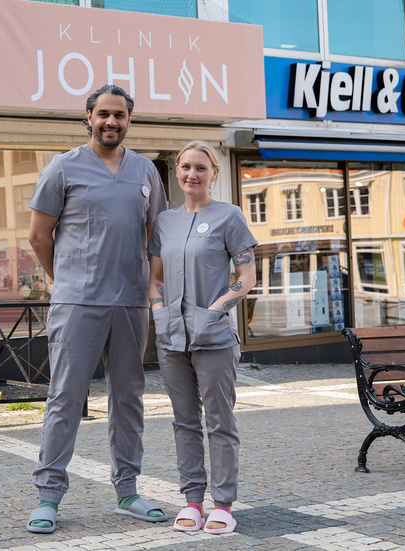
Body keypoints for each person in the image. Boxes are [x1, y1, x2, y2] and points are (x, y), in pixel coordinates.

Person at [25, 84, 169, 534]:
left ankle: (128, 491)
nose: (111, 121)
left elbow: (155, 238)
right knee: (65, 398)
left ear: (129, 120)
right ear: (88, 116)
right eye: (103, 113)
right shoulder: (63, 168)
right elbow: (37, 236)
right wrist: (64, 280)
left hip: (129, 303)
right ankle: (49, 496)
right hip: (78, 302)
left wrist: (151, 291)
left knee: (128, 400)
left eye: (120, 115)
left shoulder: (145, 170)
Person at [147, 141, 258, 535]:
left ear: (213, 172)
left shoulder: (229, 216)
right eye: (185, 167)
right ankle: (193, 501)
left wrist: (215, 311)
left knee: (220, 420)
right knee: (184, 422)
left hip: (214, 337)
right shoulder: (164, 222)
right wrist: (159, 313)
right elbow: (155, 277)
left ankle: (223, 504)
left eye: (201, 167)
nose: (192, 174)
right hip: (171, 337)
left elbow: (247, 278)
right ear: (176, 172)